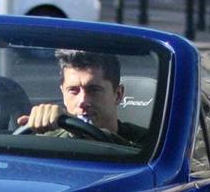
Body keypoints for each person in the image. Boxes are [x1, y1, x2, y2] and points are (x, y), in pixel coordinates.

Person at [17, 49, 145, 145]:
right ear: (63, 93)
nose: (83, 101)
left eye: (94, 90)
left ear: (118, 95)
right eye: (73, 90)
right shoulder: (45, 142)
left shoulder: (149, 144)